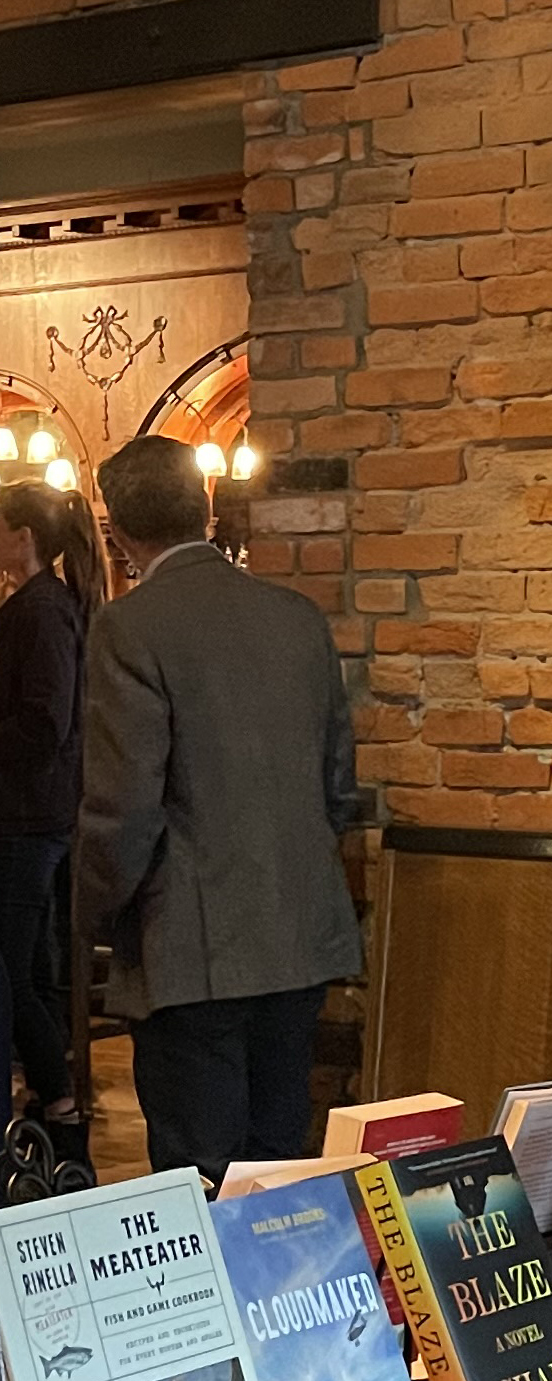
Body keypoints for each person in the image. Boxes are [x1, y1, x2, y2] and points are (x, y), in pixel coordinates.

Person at [77, 436, 362, 1183]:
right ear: (205, 506)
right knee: (278, 1171)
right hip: (298, 937)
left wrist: (88, 914)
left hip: (189, 949)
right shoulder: (296, 617)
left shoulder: (128, 626)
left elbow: (123, 806)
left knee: (199, 1175)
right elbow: (338, 786)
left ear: (119, 528)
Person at [0, 480, 107, 1160]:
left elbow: (45, 721)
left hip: (26, 816)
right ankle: (54, 1099)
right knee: (29, 965)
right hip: (31, 813)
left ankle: (61, 1101)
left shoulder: (39, 612)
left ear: (23, 538)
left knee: (11, 967)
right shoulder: (39, 607)